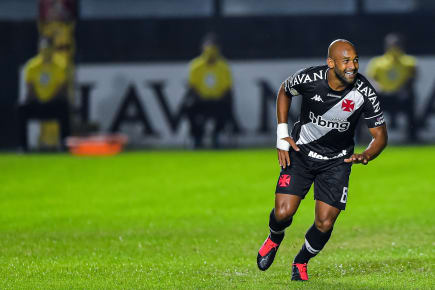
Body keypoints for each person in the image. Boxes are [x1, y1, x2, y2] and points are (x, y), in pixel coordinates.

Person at [256, 39, 388, 281]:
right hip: (301, 153)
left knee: (325, 223)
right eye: (346, 61)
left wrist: (366, 154)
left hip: (338, 162)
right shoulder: (310, 78)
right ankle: (275, 237)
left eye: (356, 60)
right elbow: (285, 90)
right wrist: (282, 135)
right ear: (331, 63)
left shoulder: (364, 91)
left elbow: (380, 136)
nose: (353, 66)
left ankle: (301, 261)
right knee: (283, 213)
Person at [185, 33, 240, 148]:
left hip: (217, 101)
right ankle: (197, 137)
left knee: (226, 108)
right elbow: (192, 87)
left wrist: (221, 98)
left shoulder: (223, 67)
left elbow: (227, 88)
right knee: (189, 108)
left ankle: (216, 135)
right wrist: (199, 98)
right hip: (200, 101)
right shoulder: (196, 66)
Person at [18, 37, 70, 151]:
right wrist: (38, 100)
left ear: (53, 49)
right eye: (43, 48)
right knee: (21, 108)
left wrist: (49, 100)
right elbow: (30, 88)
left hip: (53, 103)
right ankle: (23, 147)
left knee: (64, 107)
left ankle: (65, 145)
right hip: (37, 103)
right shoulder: (32, 66)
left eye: (48, 48)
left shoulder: (61, 65)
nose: (46, 51)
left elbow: (61, 88)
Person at [366, 33, 417, 141]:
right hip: (383, 96)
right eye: (391, 45)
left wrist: (403, 89)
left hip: (401, 97)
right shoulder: (377, 62)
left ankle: (412, 137)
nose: (394, 48)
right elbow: (370, 79)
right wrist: (378, 87)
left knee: (411, 101)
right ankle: (363, 137)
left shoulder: (409, 62)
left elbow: (413, 78)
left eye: (396, 45)